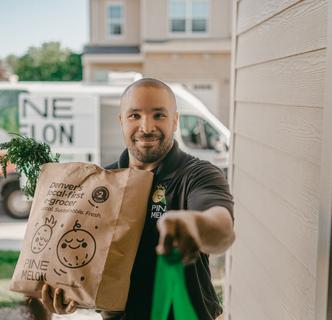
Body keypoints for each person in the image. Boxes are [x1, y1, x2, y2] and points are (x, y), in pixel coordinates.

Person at [30, 78, 235, 320]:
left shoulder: (197, 174)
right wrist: (68, 295)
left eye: (159, 115)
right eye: (134, 115)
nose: (146, 127)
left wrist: (194, 225)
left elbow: (221, 225)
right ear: (121, 122)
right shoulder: (100, 185)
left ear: (175, 121)